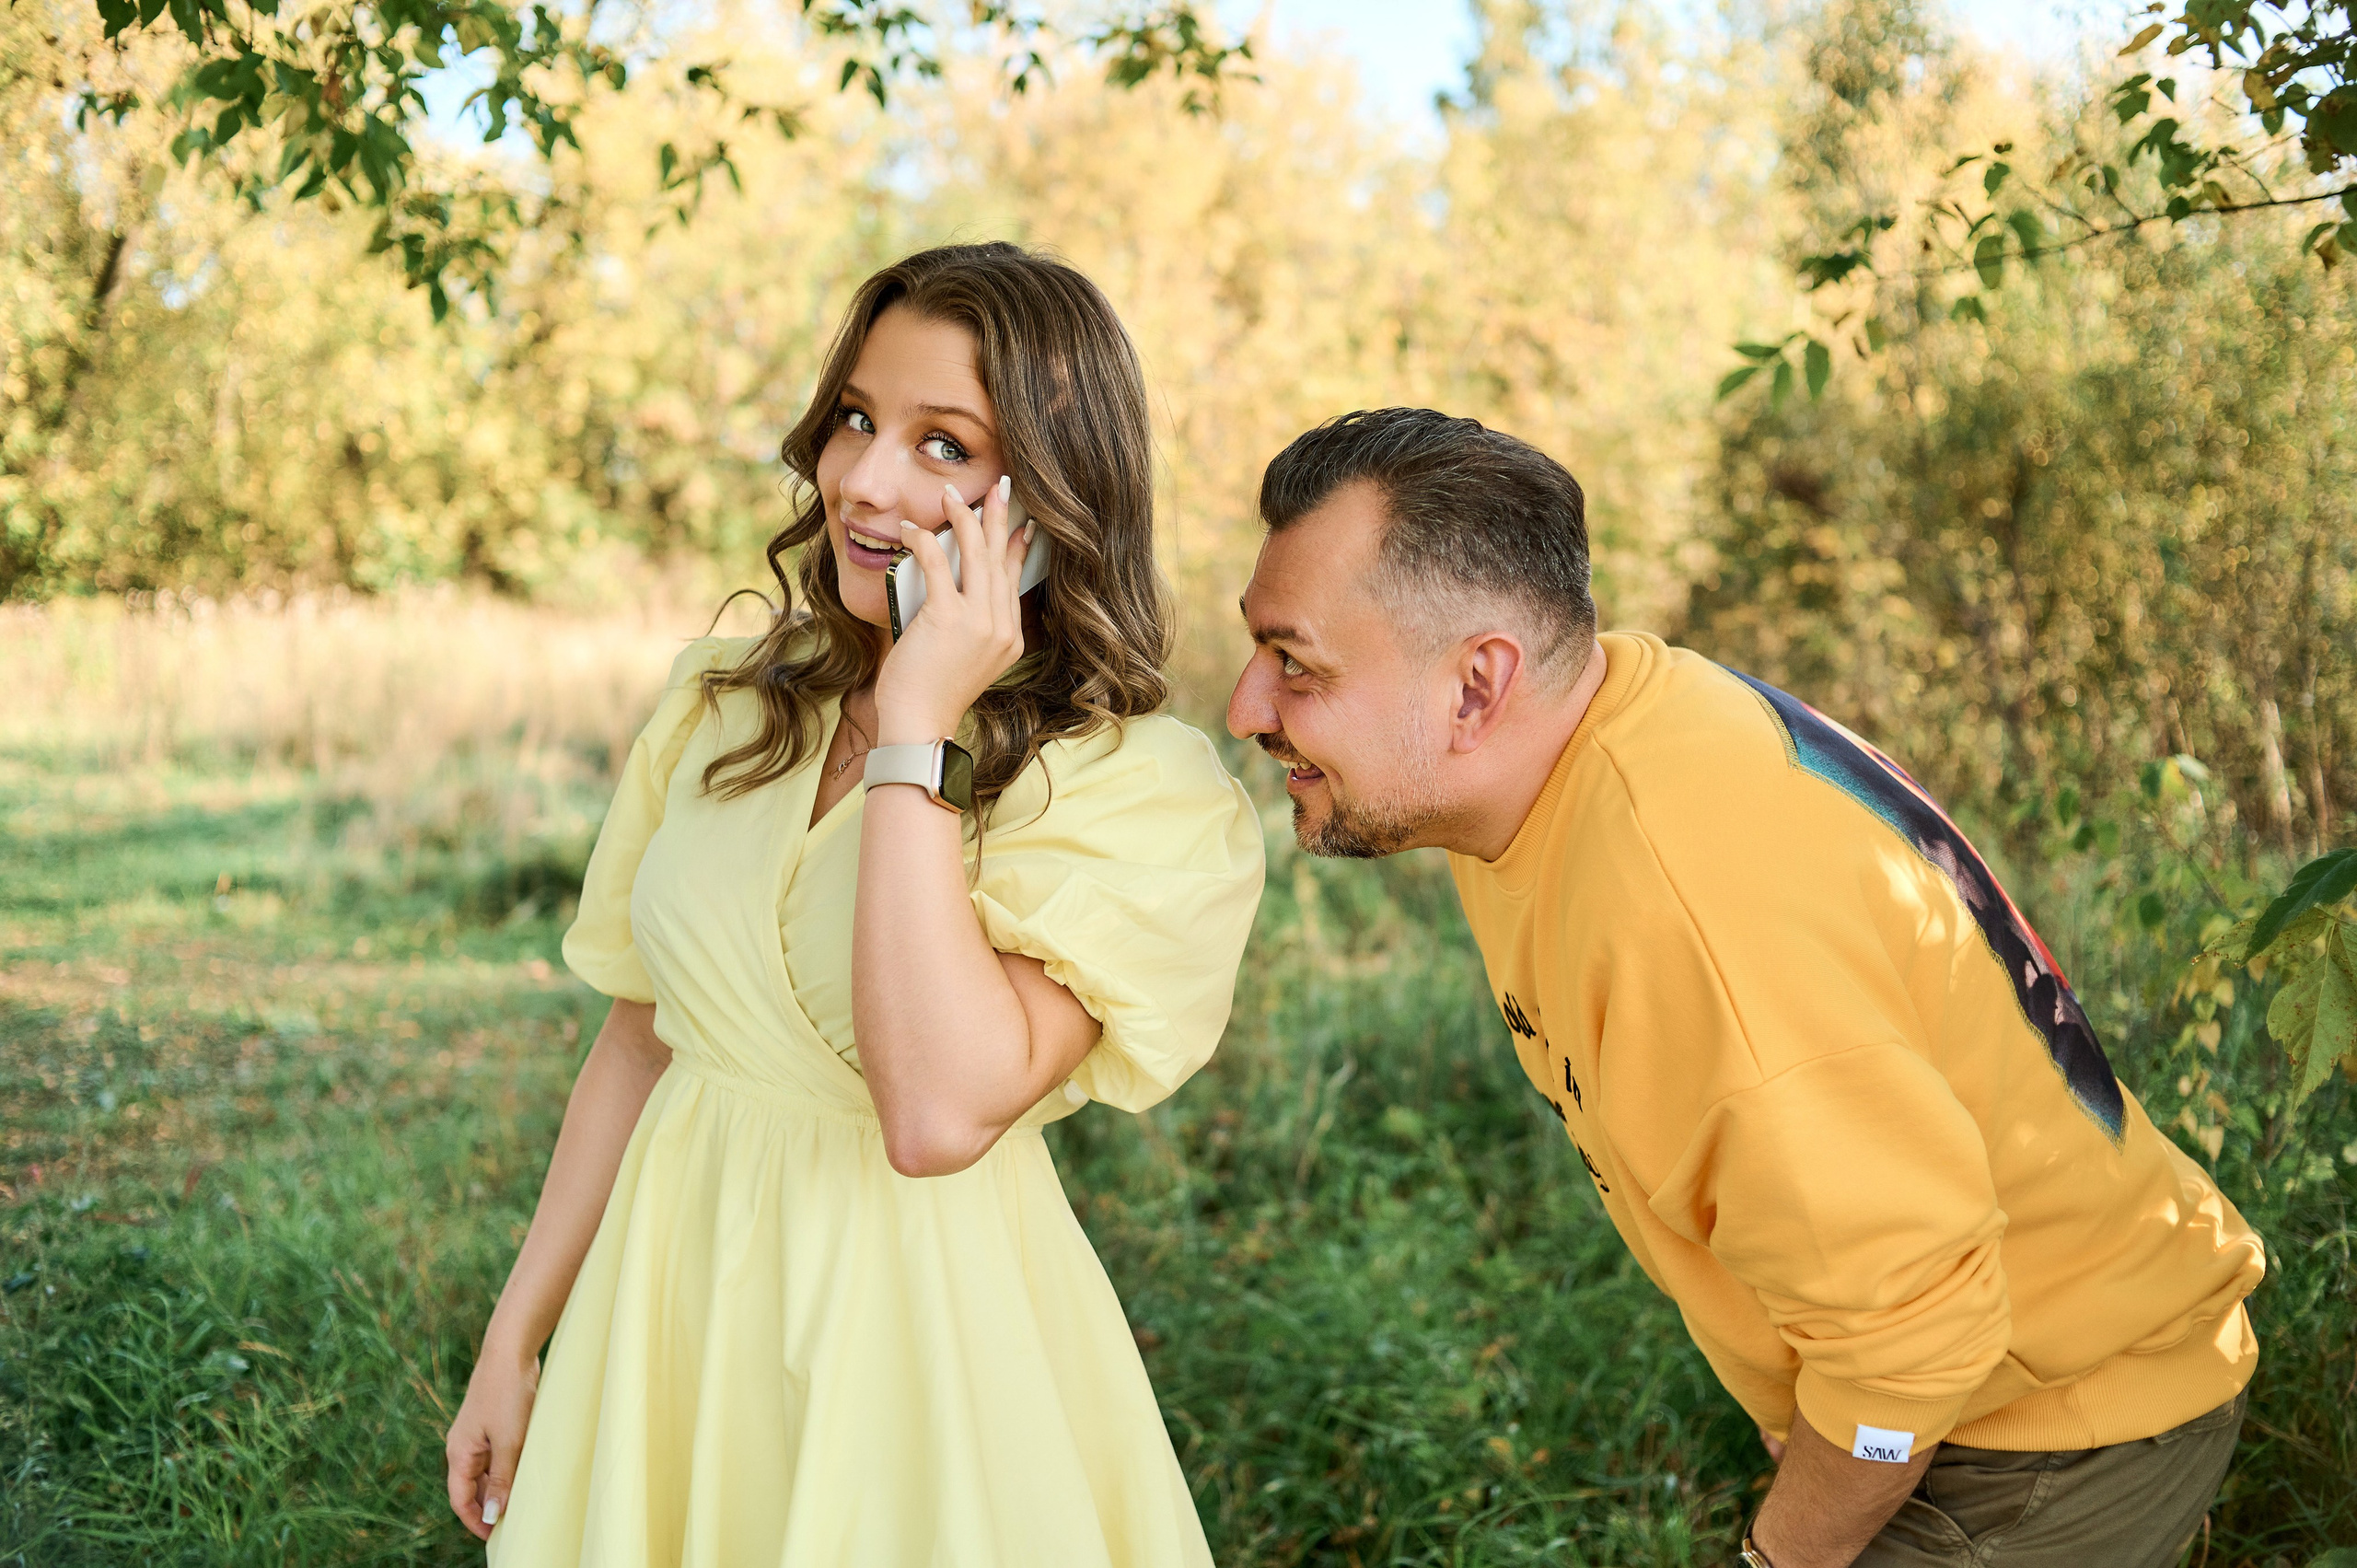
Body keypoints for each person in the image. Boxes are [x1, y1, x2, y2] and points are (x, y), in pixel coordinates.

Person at [1224, 407, 2265, 1568]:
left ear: (1478, 686)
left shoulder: (1680, 902)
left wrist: (1780, 1551)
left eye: (1295, 664)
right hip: (1962, 1379)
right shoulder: (1585, 739)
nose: (1244, 709)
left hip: (2051, 1428)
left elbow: (1911, 1338)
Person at [443, 242, 1264, 1566]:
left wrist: (922, 728)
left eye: (947, 446)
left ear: (1055, 498)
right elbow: (643, 1038)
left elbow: (938, 1113)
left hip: (914, 1340)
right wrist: (516, 1330)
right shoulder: (723, 704)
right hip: (666, 1298)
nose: (867, 480)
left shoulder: (1129, 792)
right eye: (858, 419)